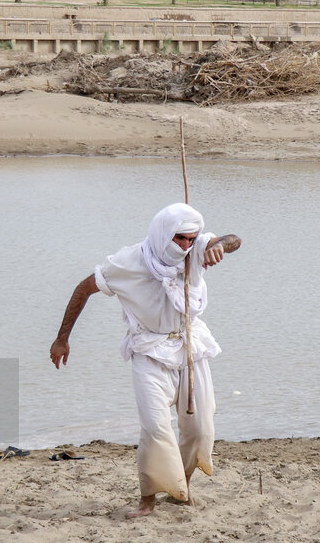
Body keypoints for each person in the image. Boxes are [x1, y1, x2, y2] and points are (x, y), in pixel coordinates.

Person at [50, 203, 241, 518]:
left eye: (191, 239)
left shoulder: (195, 251)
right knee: (155, 428)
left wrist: (217, 246)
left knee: (200, 430)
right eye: (180, 238)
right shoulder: (126, 263)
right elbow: (82, 290)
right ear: (163, 234)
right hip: (148, 351)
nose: (185, 245)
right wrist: (62, 338)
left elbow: (234, 240)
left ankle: (182, 487)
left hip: (191, 345)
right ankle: (148, 499)